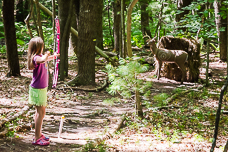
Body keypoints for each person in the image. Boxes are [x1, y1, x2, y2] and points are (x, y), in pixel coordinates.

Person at [27, 37, 59, 146]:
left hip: (41, 89)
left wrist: (53, 56)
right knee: (40, 113)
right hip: (37, 89)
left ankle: (39, 134)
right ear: (38, 47)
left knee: (41, 112)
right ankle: (36, 137)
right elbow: (42, 59)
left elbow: (46, 59)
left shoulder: (41, 57)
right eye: (42, 46)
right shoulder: (36, 58)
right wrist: (47, 54)